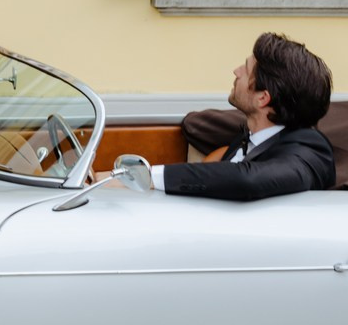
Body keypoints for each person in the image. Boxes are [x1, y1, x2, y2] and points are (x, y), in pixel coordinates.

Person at [140, 32, 335, 200]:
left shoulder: (310, 152)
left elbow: (247, 180)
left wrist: (148, 177)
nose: (236, 71)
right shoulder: (249, 138)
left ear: (262, 98)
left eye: (246, 69)